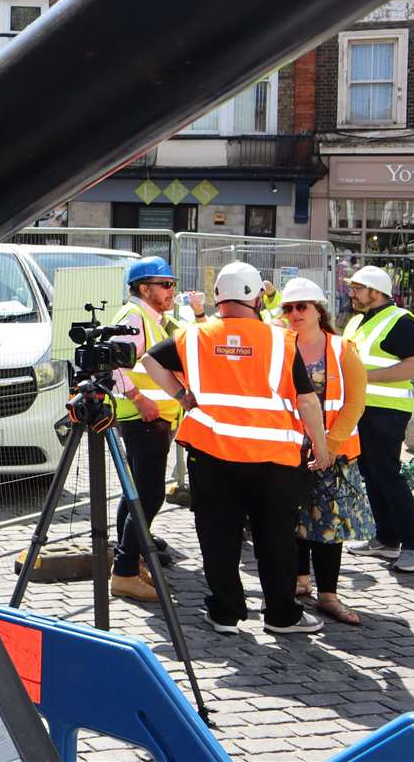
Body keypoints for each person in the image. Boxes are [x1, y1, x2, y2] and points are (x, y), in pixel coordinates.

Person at [141, 261, 332, 635]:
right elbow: (308, 402)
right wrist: (321, 447)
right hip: (273, 458)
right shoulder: (280, 340)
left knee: (218, 534)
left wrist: (182, 396)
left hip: (211, 454)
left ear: (218, 298)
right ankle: (281, 615)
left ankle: (226, 612)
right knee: (275, 537)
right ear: (256, 297)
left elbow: (149, 359)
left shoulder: (194, 336)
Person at [281, 278, 371, 624]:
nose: (294, 314)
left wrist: (330, 445)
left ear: (319, 310)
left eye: (301, 306)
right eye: (287, 308)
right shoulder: (281, 345)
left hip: (334, 454)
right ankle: (300, 581)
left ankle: (328, 594)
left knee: (329, 526)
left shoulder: (341, 348)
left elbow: (355, 402)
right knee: (294, 521)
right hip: (290, 451)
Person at [340, 265, 414, 572]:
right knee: (371, 473)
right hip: (360, 409)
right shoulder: (356, 321)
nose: (351, 293)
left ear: (375, 292)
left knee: (387, 474)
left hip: (387, 411)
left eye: (357, 288)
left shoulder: (401, 321)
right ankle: (387, 539)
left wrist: (364, 377)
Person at [108, 257, 186, 603]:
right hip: (144, 418)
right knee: (150, 494)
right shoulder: (135, 317)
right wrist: (139, 399)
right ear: (144, 288)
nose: (172, 290)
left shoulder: (154, 319)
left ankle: (131, 554)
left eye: (172, 284)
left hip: (153, 418)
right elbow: (114, 364)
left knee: (137, 491)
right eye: (165, 284)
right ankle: (125, 571)